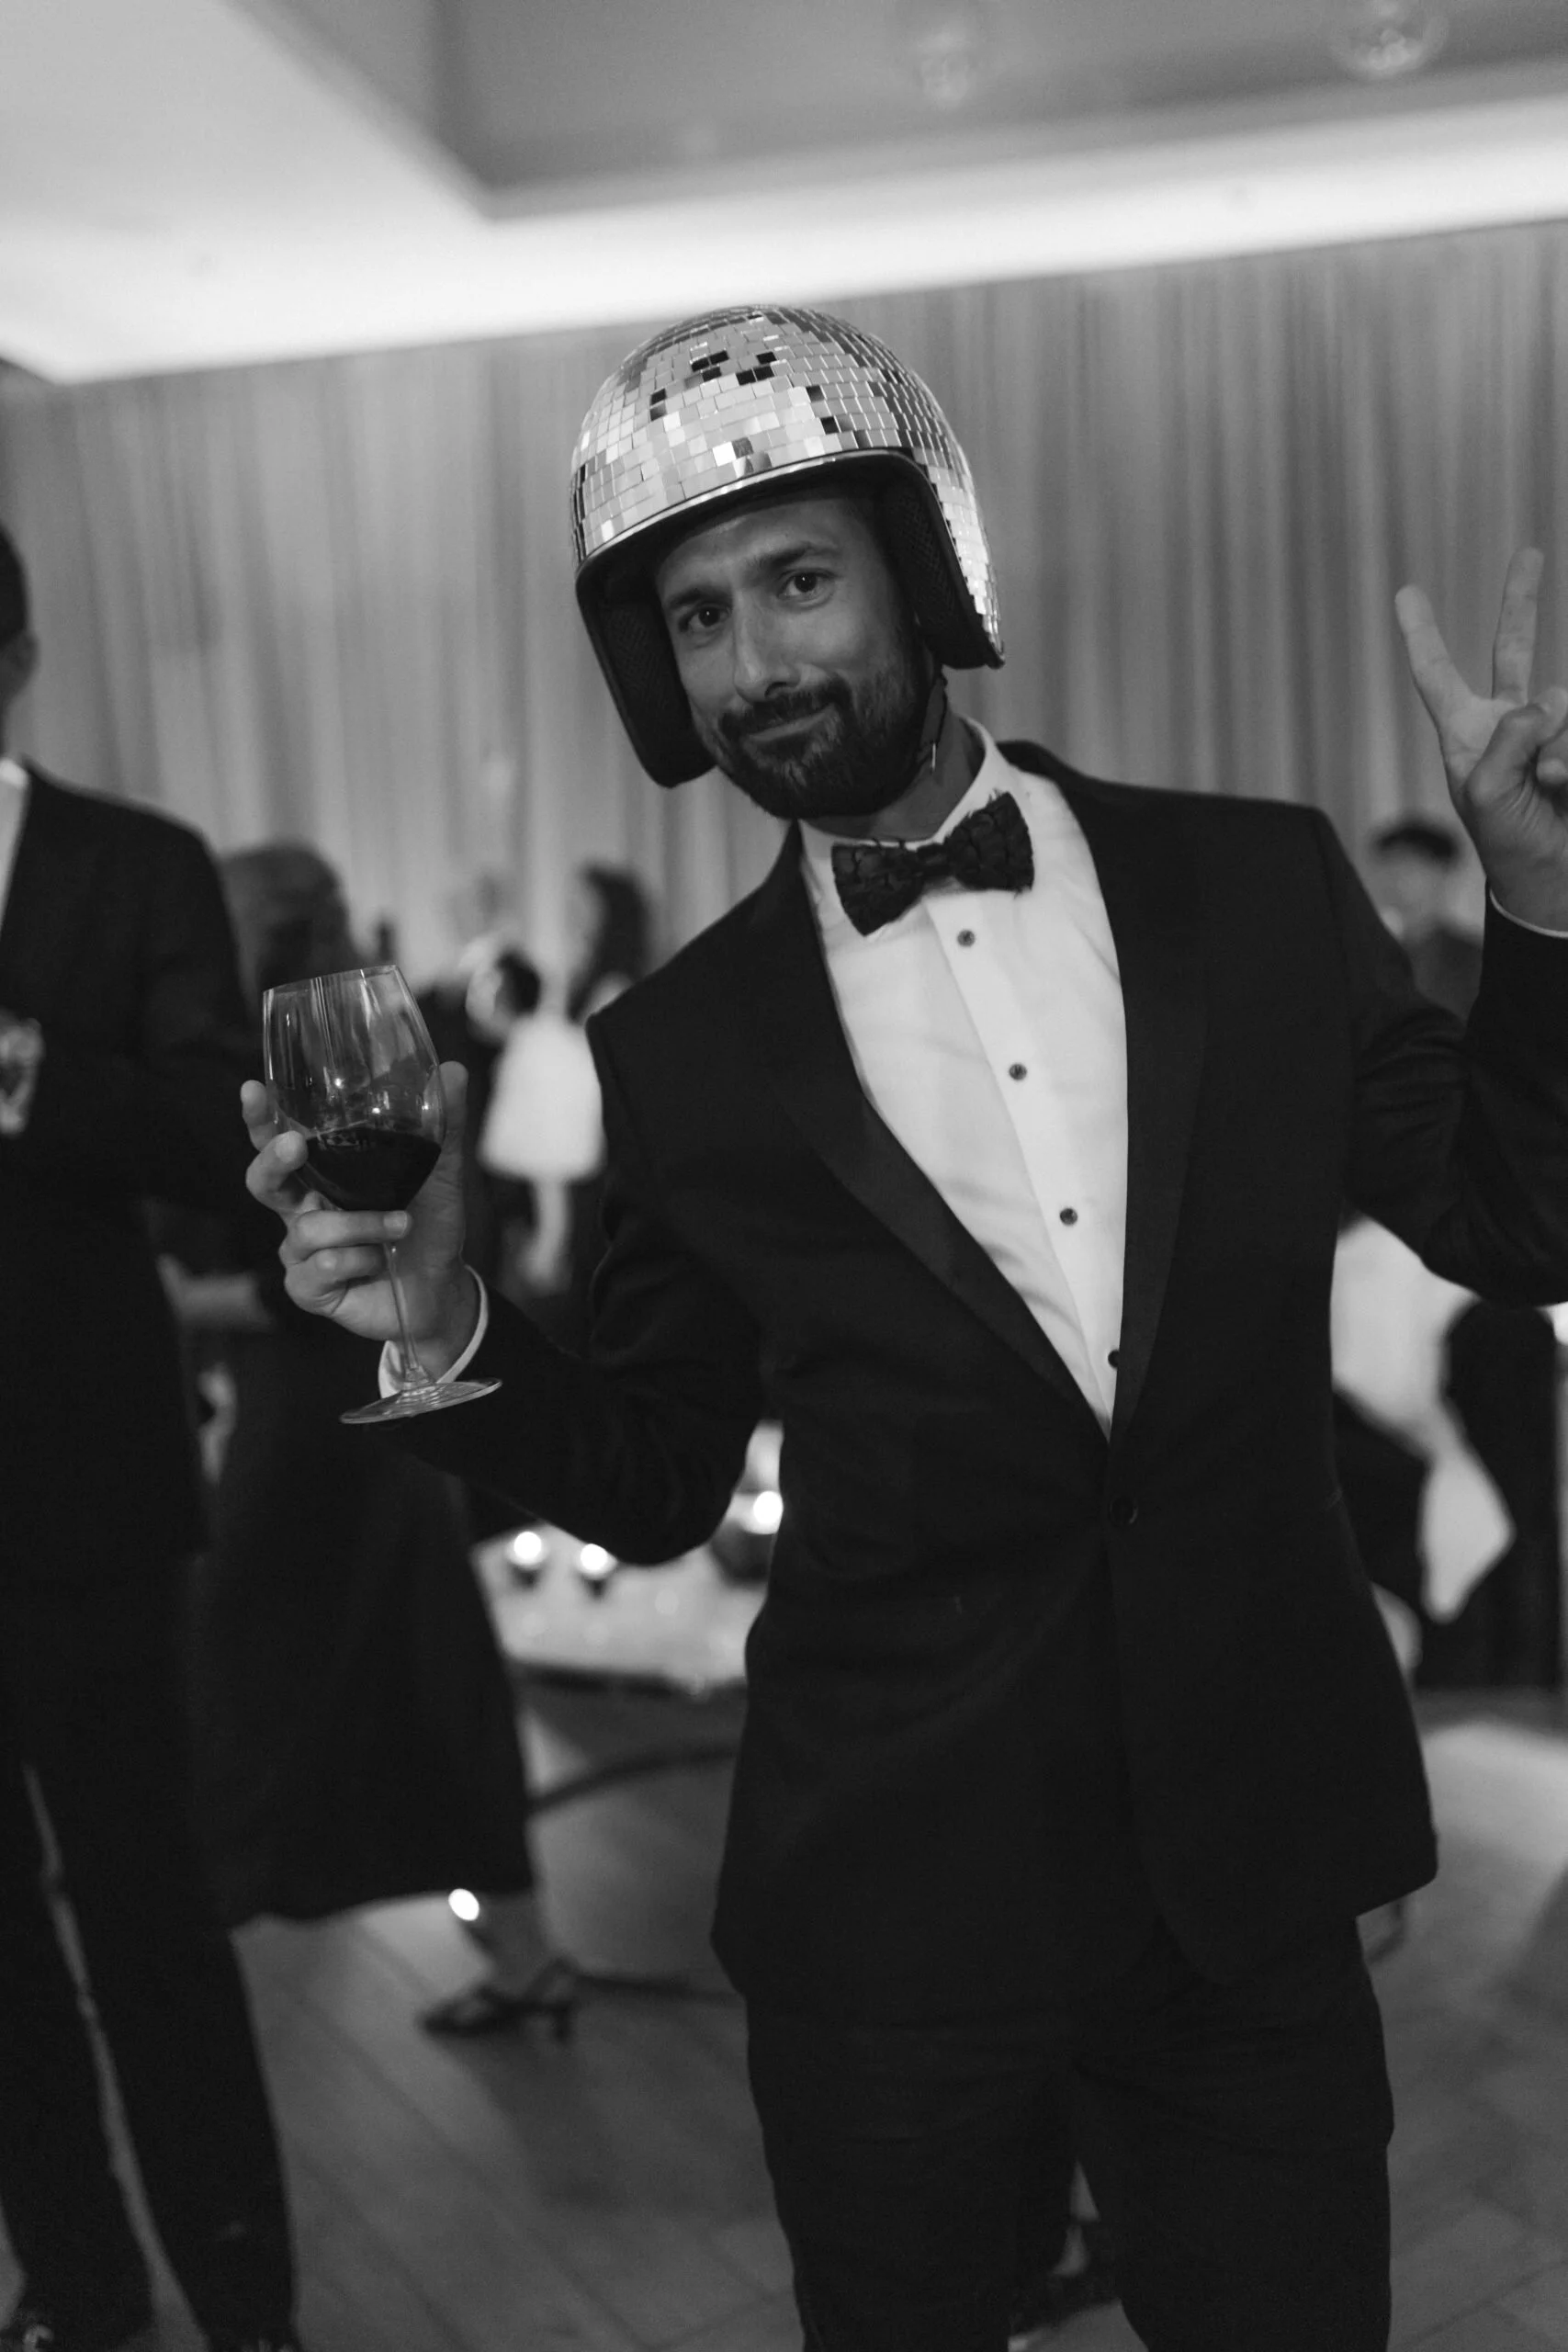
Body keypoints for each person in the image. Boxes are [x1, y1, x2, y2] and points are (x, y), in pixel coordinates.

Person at [243, 309, 1568, 2352]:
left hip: (1248, 1867)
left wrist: (1541, 907)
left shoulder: (1249, 880)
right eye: (698, 619)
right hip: (891, 1902)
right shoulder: (679, 1048)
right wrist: (442, 1316)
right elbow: (657, 1474)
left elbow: (1514, 1210)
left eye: (798, 581)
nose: (753, 663)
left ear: (925, 575)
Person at [0, 525, 304, 2352]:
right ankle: (83, 2293)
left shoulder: (132, 865)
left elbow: (211, 1131)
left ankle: (247, 2302)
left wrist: (24, 1070)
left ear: (15, 659)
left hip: (83, 1482)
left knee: (152, 1921)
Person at [161, 842, 570, 2039]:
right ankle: (522, 1952)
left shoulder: (260, 1071)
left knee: (248, 1659)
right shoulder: (360, 1055)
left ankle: (200, 1918)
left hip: (318, 1411)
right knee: (426, 1671)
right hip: (387, 1407)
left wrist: (173, 1302)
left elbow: (312, 1274)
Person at [1366, 815, 1483, 1021]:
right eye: (1388, 869)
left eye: (1408, 869)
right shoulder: (1368, 953)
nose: (1396, 882)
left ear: (1443, 873)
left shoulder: (1474, 960)